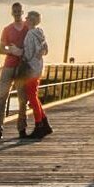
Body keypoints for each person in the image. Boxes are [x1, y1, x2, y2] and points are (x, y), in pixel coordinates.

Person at [0, 1, 29, 140]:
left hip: (22, 68)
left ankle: (22, 128)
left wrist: (21, 52)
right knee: (2, 97)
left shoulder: (28, 29)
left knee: (23, 99)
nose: (17, 14)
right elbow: (1, 49)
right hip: (9, 66)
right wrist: (11, 50)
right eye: (15, 11)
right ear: (12, 13)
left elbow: (32, 49)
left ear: (22, 12)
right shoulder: (7, 29)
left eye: (19, 11)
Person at [21, 11, 52, 139]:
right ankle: (44, 123)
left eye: (27, 18)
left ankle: (39, 125)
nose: (25, 20)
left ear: (31, 21)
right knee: (34, 96)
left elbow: (28, 54)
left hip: (31, 68)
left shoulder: (30, 34)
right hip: (39, 67)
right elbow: (46, 50)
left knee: (31, 96)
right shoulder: (40, 33)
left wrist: (18, 53)